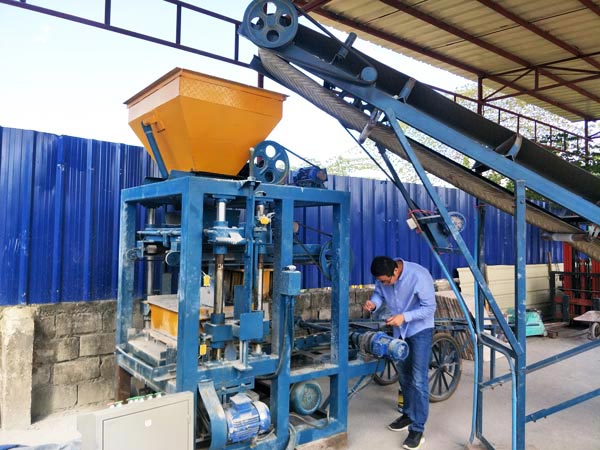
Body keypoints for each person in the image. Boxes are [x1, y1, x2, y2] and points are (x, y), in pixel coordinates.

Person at [363, 256, 436, 450]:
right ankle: (408, 414)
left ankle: (417, 429)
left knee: (419, 379)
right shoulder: (383, 277)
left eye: (386, 281)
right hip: (398, 331)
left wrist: (405, 317)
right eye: (380, 281)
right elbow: (378, 293)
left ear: (396, 271)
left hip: (419, 330)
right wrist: (374, 303)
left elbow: (429, 308)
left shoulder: (419, 276)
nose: (383, 284)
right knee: (404, 375)